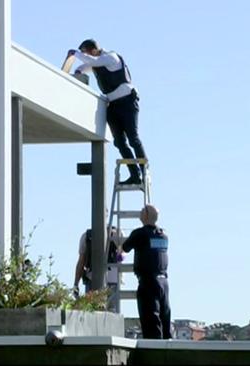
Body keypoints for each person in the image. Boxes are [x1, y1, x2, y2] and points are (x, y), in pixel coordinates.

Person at [68, 39, 147, 185]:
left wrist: (75, 53)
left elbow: (92, 61)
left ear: (92, 51)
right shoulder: (97, 62)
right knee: (119, 142)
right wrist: (78, 71)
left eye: (85, 53)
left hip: (127, 102)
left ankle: (145, 171)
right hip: (113, 105)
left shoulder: (110, 57)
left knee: (133, 138)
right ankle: (135, 174)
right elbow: (86, 65)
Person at [121, 204, 171, 339]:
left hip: (149, 281)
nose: (140, 211)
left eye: (143, 210)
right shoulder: (163, 235)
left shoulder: (140, 234)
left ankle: (154, 353)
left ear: (146, 215)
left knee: (150, 319)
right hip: (164, 282)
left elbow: (125, 247)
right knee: (164, 316)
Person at [73, 226, 124, 299]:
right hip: (109, 280)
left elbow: (81, 262)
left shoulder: (87, 236)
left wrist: (76, 284)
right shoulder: (117, 234)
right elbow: (122, 256)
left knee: (92, 308)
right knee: (110, 309)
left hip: (95, 280)